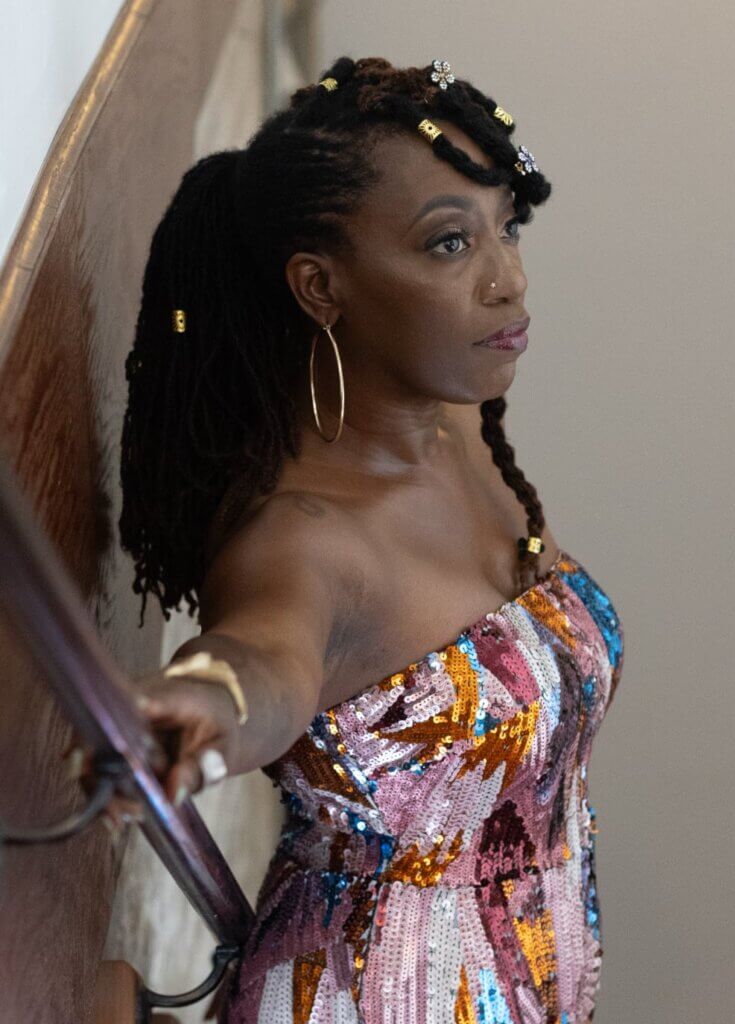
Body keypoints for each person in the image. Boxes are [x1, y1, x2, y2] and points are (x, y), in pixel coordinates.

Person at [87, 56, 625, 1024]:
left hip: (526, 976)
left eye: (506, 227)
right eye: (450, 244)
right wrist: (196, 714)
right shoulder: (301, 538)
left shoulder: (456, 427)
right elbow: (259, 659)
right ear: (319, 285)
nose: (507, 279)